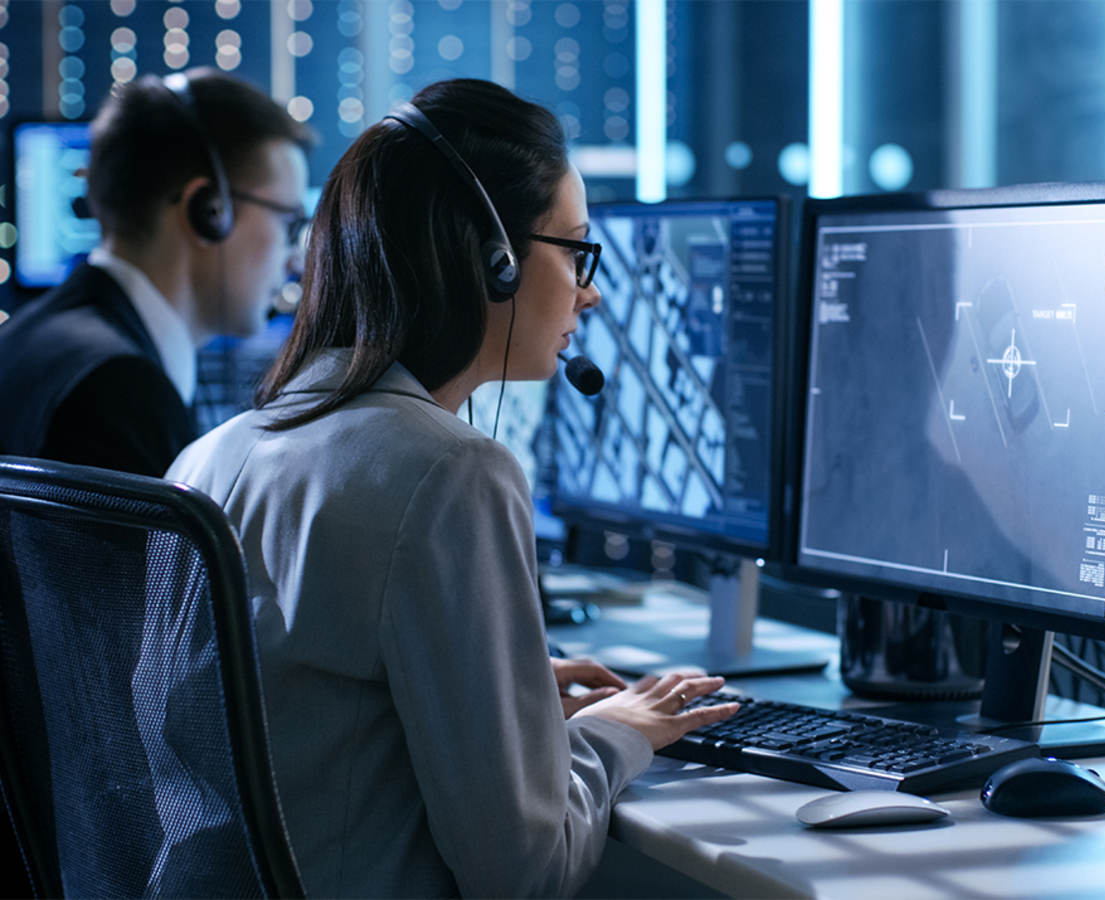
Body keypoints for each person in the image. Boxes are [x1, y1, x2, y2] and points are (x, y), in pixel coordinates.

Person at [165, 78, 739, 897]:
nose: (591, 288)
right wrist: (616, 735)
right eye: (575, 250)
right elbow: (525, 872)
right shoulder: (450, 472)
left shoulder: (207, 458)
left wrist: (500, 690)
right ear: (493, 262)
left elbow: (297, 706)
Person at [0, 67, 313, 476]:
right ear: (209, 210)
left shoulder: (29, 337)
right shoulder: (119, 391)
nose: (293, 260)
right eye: (288, 222)